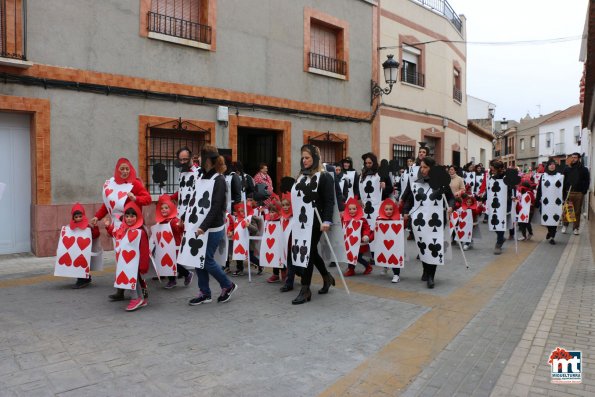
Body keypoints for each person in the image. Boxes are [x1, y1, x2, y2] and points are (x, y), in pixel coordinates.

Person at [90, 158, 151, 301]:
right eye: (122, 169)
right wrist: (97, 217)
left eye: (127, 169)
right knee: (119, 259)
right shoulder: (111, 184)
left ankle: (142, 289)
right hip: (118, 228)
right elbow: (107, 205)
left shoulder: (135, 184)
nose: (124, 172)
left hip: (132, 227)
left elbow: (147, 199)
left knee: (131, 259)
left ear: (130, 170)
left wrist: (135, 198)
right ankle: (120, 290)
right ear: (117, 170)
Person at [187, 145, 238, 305]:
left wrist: (204, 227)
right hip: (200, 226)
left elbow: (216, 207)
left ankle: (228, 285)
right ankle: (205, 293)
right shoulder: (202, 177)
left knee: (207, 259)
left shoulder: (219, 180)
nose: (198, 159)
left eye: (200, 157)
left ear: (207, 159)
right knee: (198, 260)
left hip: (213, 227)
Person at [290, 144, 335, 304]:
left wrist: (327, 220)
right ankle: (326, 276)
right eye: (303, 157)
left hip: (316, 221)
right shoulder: (301, 176)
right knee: (311, 252)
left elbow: (330, 201)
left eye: (307, 157)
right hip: (301, 221)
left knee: (307, 251)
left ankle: (305, 288)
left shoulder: (325, 177)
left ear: (315, 158)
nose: (304, 160)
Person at [400, 157, 454, 289]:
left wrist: (451, 206)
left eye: (425, 167)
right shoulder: (416, 183)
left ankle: (431, 276)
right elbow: (410, 200)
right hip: (419, 222)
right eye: (421, 167)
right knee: (423, 247)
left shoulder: (441, 184)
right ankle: (425, 269)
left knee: (434, 247)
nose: (422, 170)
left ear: (432, 168)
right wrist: (406, 211)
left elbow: (451, 198)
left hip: (436, 222)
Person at [105, 202, 150, 311]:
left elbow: (144, 250)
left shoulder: (140, 233)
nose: (129, 219)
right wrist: (108, 227)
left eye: (132, 216)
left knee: (130, 280)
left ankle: (135, 298)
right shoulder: (123, 229)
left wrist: (143, 266)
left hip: (135, 262)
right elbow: (115, 233)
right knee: (135, 280)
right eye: (127, 216)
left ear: (137, 217)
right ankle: (141, 298)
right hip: (125, 261)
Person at [55, 204, 100, 289]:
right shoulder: (69, 228)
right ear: (73, 217)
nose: (78, 218)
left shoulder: (87, 227)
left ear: (83, 216)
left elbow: (95, 235)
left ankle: (82, 280)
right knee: (77, 264)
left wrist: (96, 227)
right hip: (75, 251)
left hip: (84, 251)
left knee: (82, 263)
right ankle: (86, 278)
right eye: (76, 217)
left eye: (80, 216)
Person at [154, 195, 193, 289]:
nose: (163, 210)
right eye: (162, 208)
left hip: (174, 245)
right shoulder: (160, 221)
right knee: (167, 262)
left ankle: (187, 274)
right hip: (163, 246)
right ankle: (172, 280)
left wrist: (179, 226)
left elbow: (180, 230)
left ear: (171, 208)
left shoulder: (174, 220)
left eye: (166, 208)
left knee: (173, 263)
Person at [355, 152, 393, 227]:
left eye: (370, 163)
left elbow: (390, 189)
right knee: (366, 228)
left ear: (374, 162)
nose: (368, 165)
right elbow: (358, 187)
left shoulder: (381, 174)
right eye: (366, 163)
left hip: (377, 207)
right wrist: (359, 198)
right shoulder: (362, 175)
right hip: (365, 207)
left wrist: (384, 187)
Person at [486, 160, 514, 255]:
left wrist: (513, 196)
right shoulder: (491, 177)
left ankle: (498, 244)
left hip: (505, 203)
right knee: (493, 223)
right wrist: (482, 198)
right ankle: (501, 238)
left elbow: (512, 189)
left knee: (500, 223)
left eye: (493, 168)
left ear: (498, 168)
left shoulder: (507, 177)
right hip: (494, 204)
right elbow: (489, 189)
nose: (491, 170)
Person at [342, 198, 373, 277]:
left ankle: (367, 266)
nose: (352, 210)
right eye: (350, 209)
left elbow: (366, 228)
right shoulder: (345, 219)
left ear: (358, 209)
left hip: (360, 243)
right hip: (349, 242)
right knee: (350, 255)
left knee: (358, 257)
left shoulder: (362, 219)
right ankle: (351, 269)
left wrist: (366, 235)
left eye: (354, 209)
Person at [536, 159, 564, 245]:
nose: (552, 166)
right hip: (545, 203)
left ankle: (552, 237)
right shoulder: (543, 176)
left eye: (553, 164)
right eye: (550, 164)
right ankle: (549, 231)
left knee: (555, 219)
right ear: (547, 166)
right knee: (547, 218)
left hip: (556, 203)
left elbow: (564, 188)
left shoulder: (560, 176)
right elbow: (540, 188)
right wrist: (537, 200)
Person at [375, 198, 403, 283]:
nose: (388, 211)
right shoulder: (379, 220)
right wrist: (368, 237)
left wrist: (404, 220)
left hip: (395, 244)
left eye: (390, 209)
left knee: (395, 258)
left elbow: (402, 228)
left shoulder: (398, 219)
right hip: (384, 243)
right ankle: (385, 267)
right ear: (383, 210)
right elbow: (376, 232)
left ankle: (396, 275)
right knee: (385, 255)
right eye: (386, 209)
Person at [562, 152, 590, 235]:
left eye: (575, 157)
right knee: (568, 210)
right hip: (569, 192)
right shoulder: (567, 169)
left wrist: (583, 191)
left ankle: (576, 228)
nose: (573, 159)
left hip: (579, 193)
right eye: (572, 157)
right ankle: (565, 226)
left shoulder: (584, 169)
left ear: (579, 158)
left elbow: (587, 181)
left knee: (577, 212)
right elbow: (563, 181)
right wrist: (564, 193)